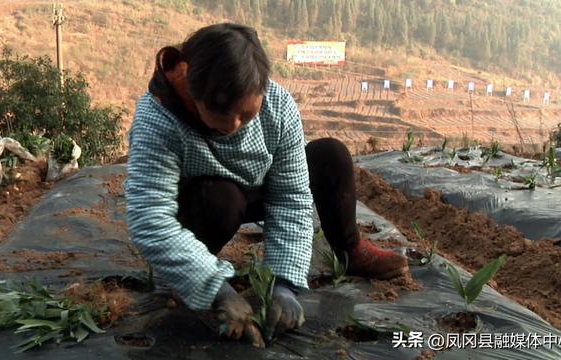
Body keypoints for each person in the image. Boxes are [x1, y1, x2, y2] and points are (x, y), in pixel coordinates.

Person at [125, 23, 408, 346]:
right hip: (201, 203)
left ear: (262, 87)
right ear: (193, 88)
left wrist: (285, 284)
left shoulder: (279, 107)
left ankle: (351, 251)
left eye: (245, 115)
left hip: (254, 186)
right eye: (221, 113)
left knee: (331, 156)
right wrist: (214, 286)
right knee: (221, 200)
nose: (233, 126)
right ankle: (191, 269)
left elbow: (291, 197)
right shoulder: (159, 115)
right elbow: (150, 217)